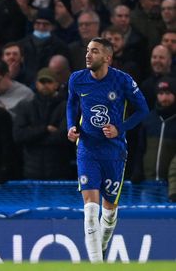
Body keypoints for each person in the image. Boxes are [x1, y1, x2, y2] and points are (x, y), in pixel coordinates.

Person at [67, 37, 149, 262]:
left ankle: (101, 247)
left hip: (114, 151)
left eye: (94, 51)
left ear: (107, 57)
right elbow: (71, 104)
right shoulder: (77, 79)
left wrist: (119, 128)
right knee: (91, 210)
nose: (88, 54)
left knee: (109, 213)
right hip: (87, 148)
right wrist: (71, 126)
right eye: (87, 50)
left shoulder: (122, 80)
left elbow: (143, 110)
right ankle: (96, 264)